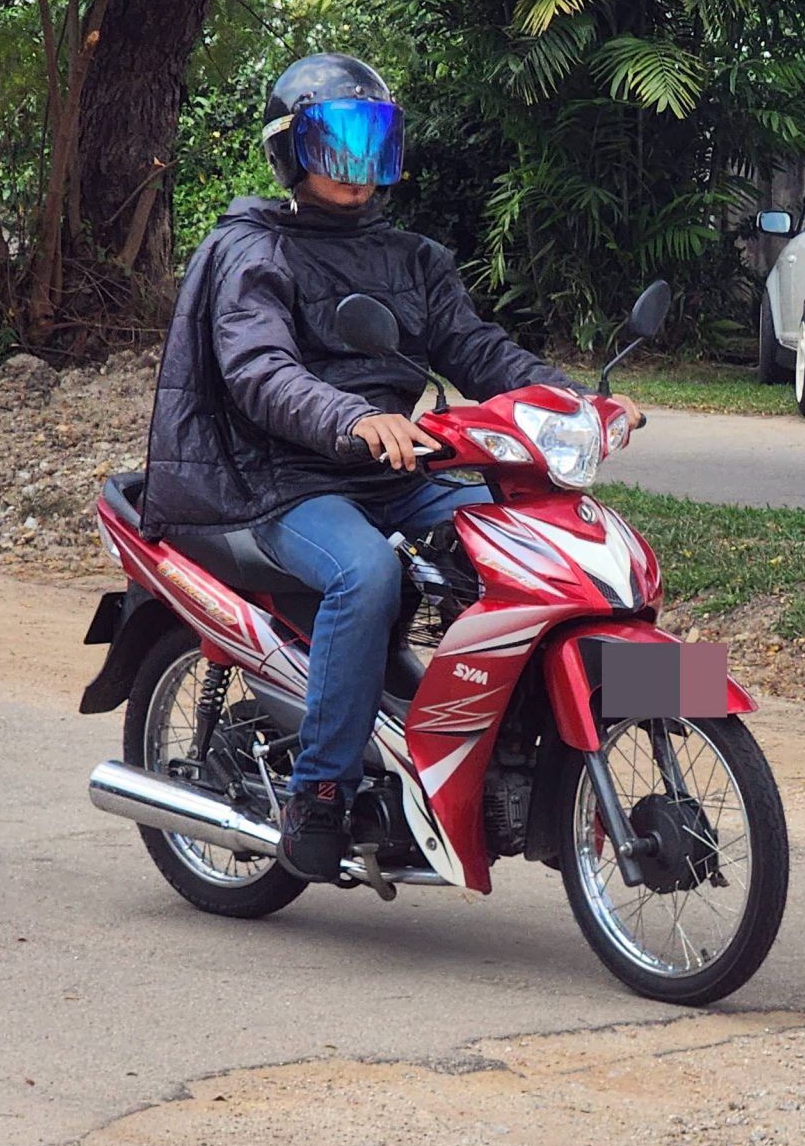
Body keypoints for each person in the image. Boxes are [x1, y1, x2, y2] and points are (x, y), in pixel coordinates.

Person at [141, 53, 624, 883]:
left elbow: (479, 351)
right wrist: (354, 418)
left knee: (531, 545)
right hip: (275, 478)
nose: (358, 169)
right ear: (293, 153)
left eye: (373, 146)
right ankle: (319, 793)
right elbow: (260, 371)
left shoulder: (412, 259)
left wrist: (576, 400)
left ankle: (491, 737)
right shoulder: (252, 252)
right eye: (338, 146)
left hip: (392, 467)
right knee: (367, 575)